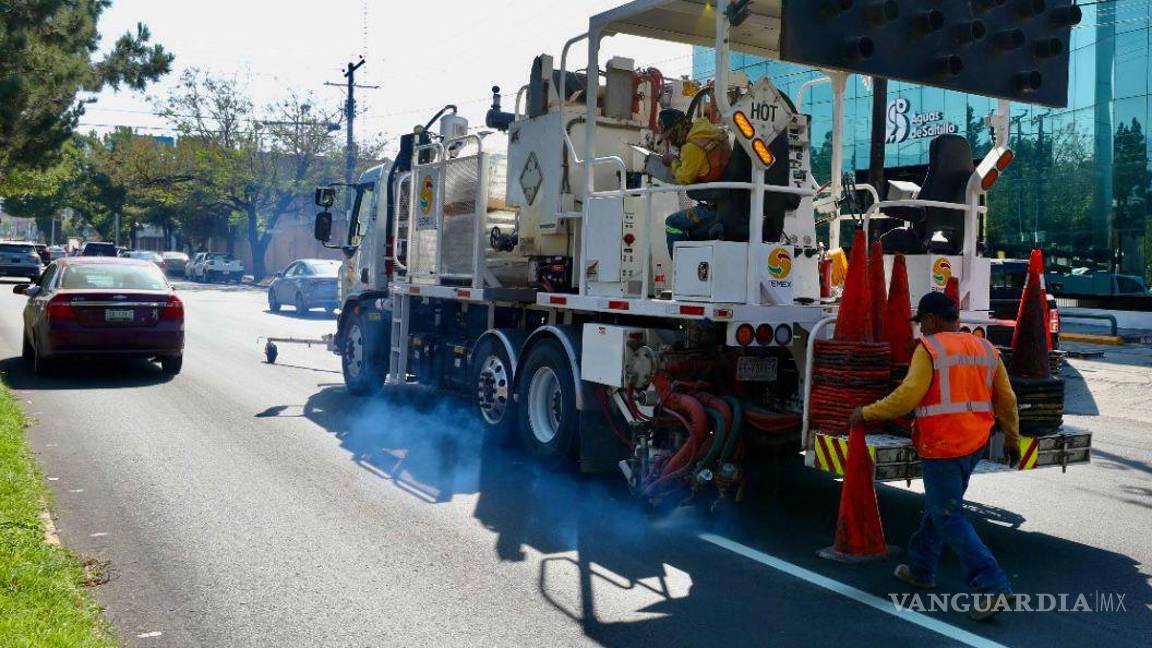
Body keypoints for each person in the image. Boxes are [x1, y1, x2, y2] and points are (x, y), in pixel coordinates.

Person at [849, 291, 1021, 621]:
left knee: (946, 514)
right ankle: (921, 569)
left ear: (930, 319)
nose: (921, 330)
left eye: (921, 324)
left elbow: (907, 397)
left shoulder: (930, 349)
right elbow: (1007, 399)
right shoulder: (985, 348)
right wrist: (1011, 438)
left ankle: (992, 584)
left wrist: (866, 413)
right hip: (974, 443)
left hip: (943, 445)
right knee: (941, 507)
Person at [658, 108, 731, 257]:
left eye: (670, 136)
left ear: (678, 128)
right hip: (729, 203)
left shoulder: (691, 147)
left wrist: (672, 161)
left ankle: (681, 271)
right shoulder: (708, 132)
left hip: (713, 209)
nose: (670, 141)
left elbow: (683, 178)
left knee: (672, 223)